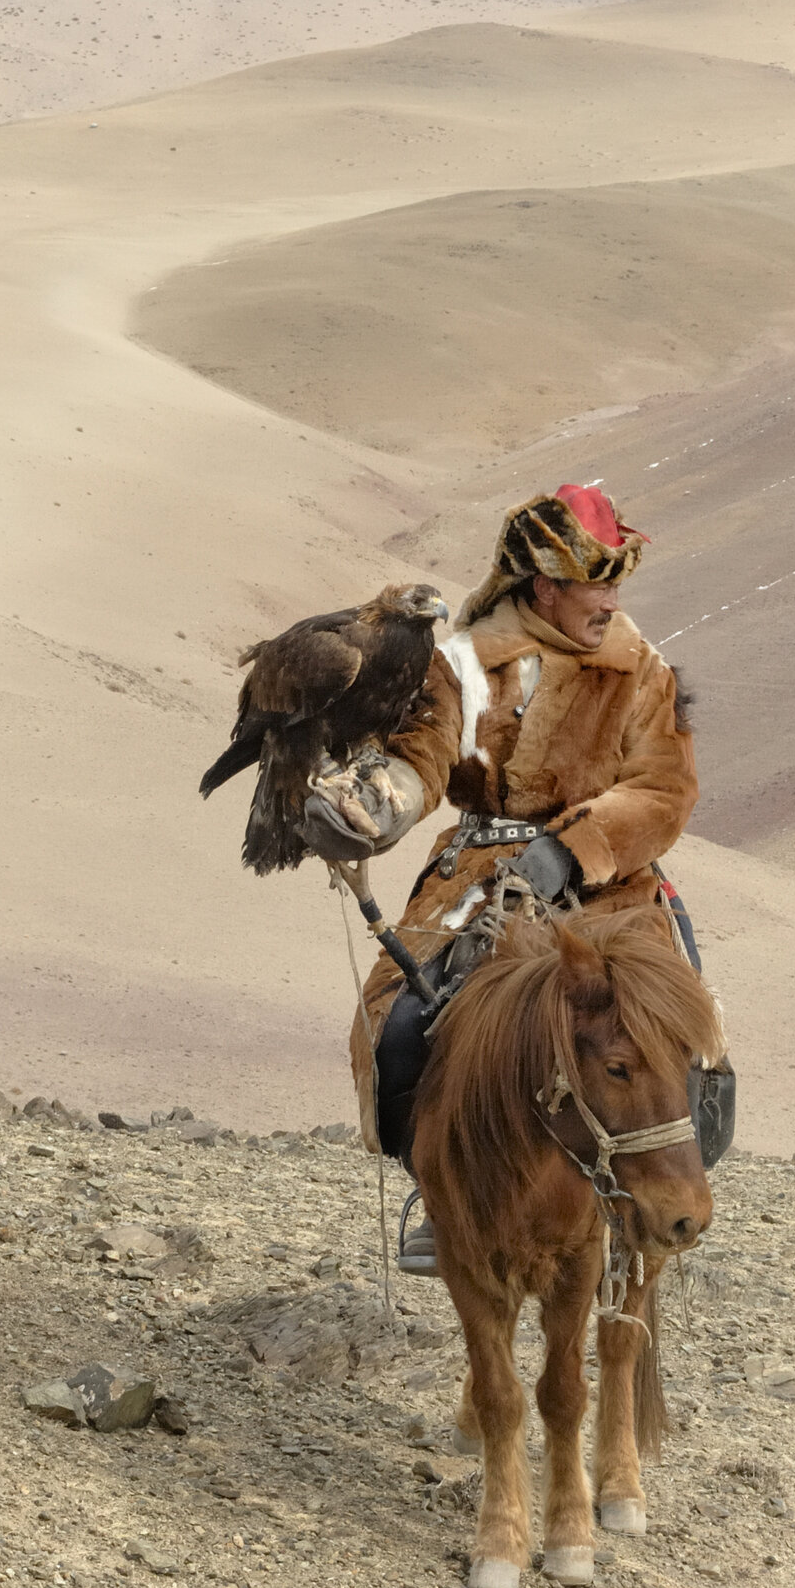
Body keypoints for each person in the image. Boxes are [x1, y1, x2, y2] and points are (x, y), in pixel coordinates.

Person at [310, 484, 699, 1272]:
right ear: (545, 586)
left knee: (685, 1036)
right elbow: (424, 753)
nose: (611, 602)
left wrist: (576, 848)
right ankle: (440, 1183)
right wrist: (374, 809)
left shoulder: (641, 671)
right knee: (400, 1029)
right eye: (598, 585)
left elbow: (664, 790)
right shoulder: (462, 664)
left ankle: (662, 1185)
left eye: (616, 585)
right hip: (483, 877)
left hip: (613, 884)